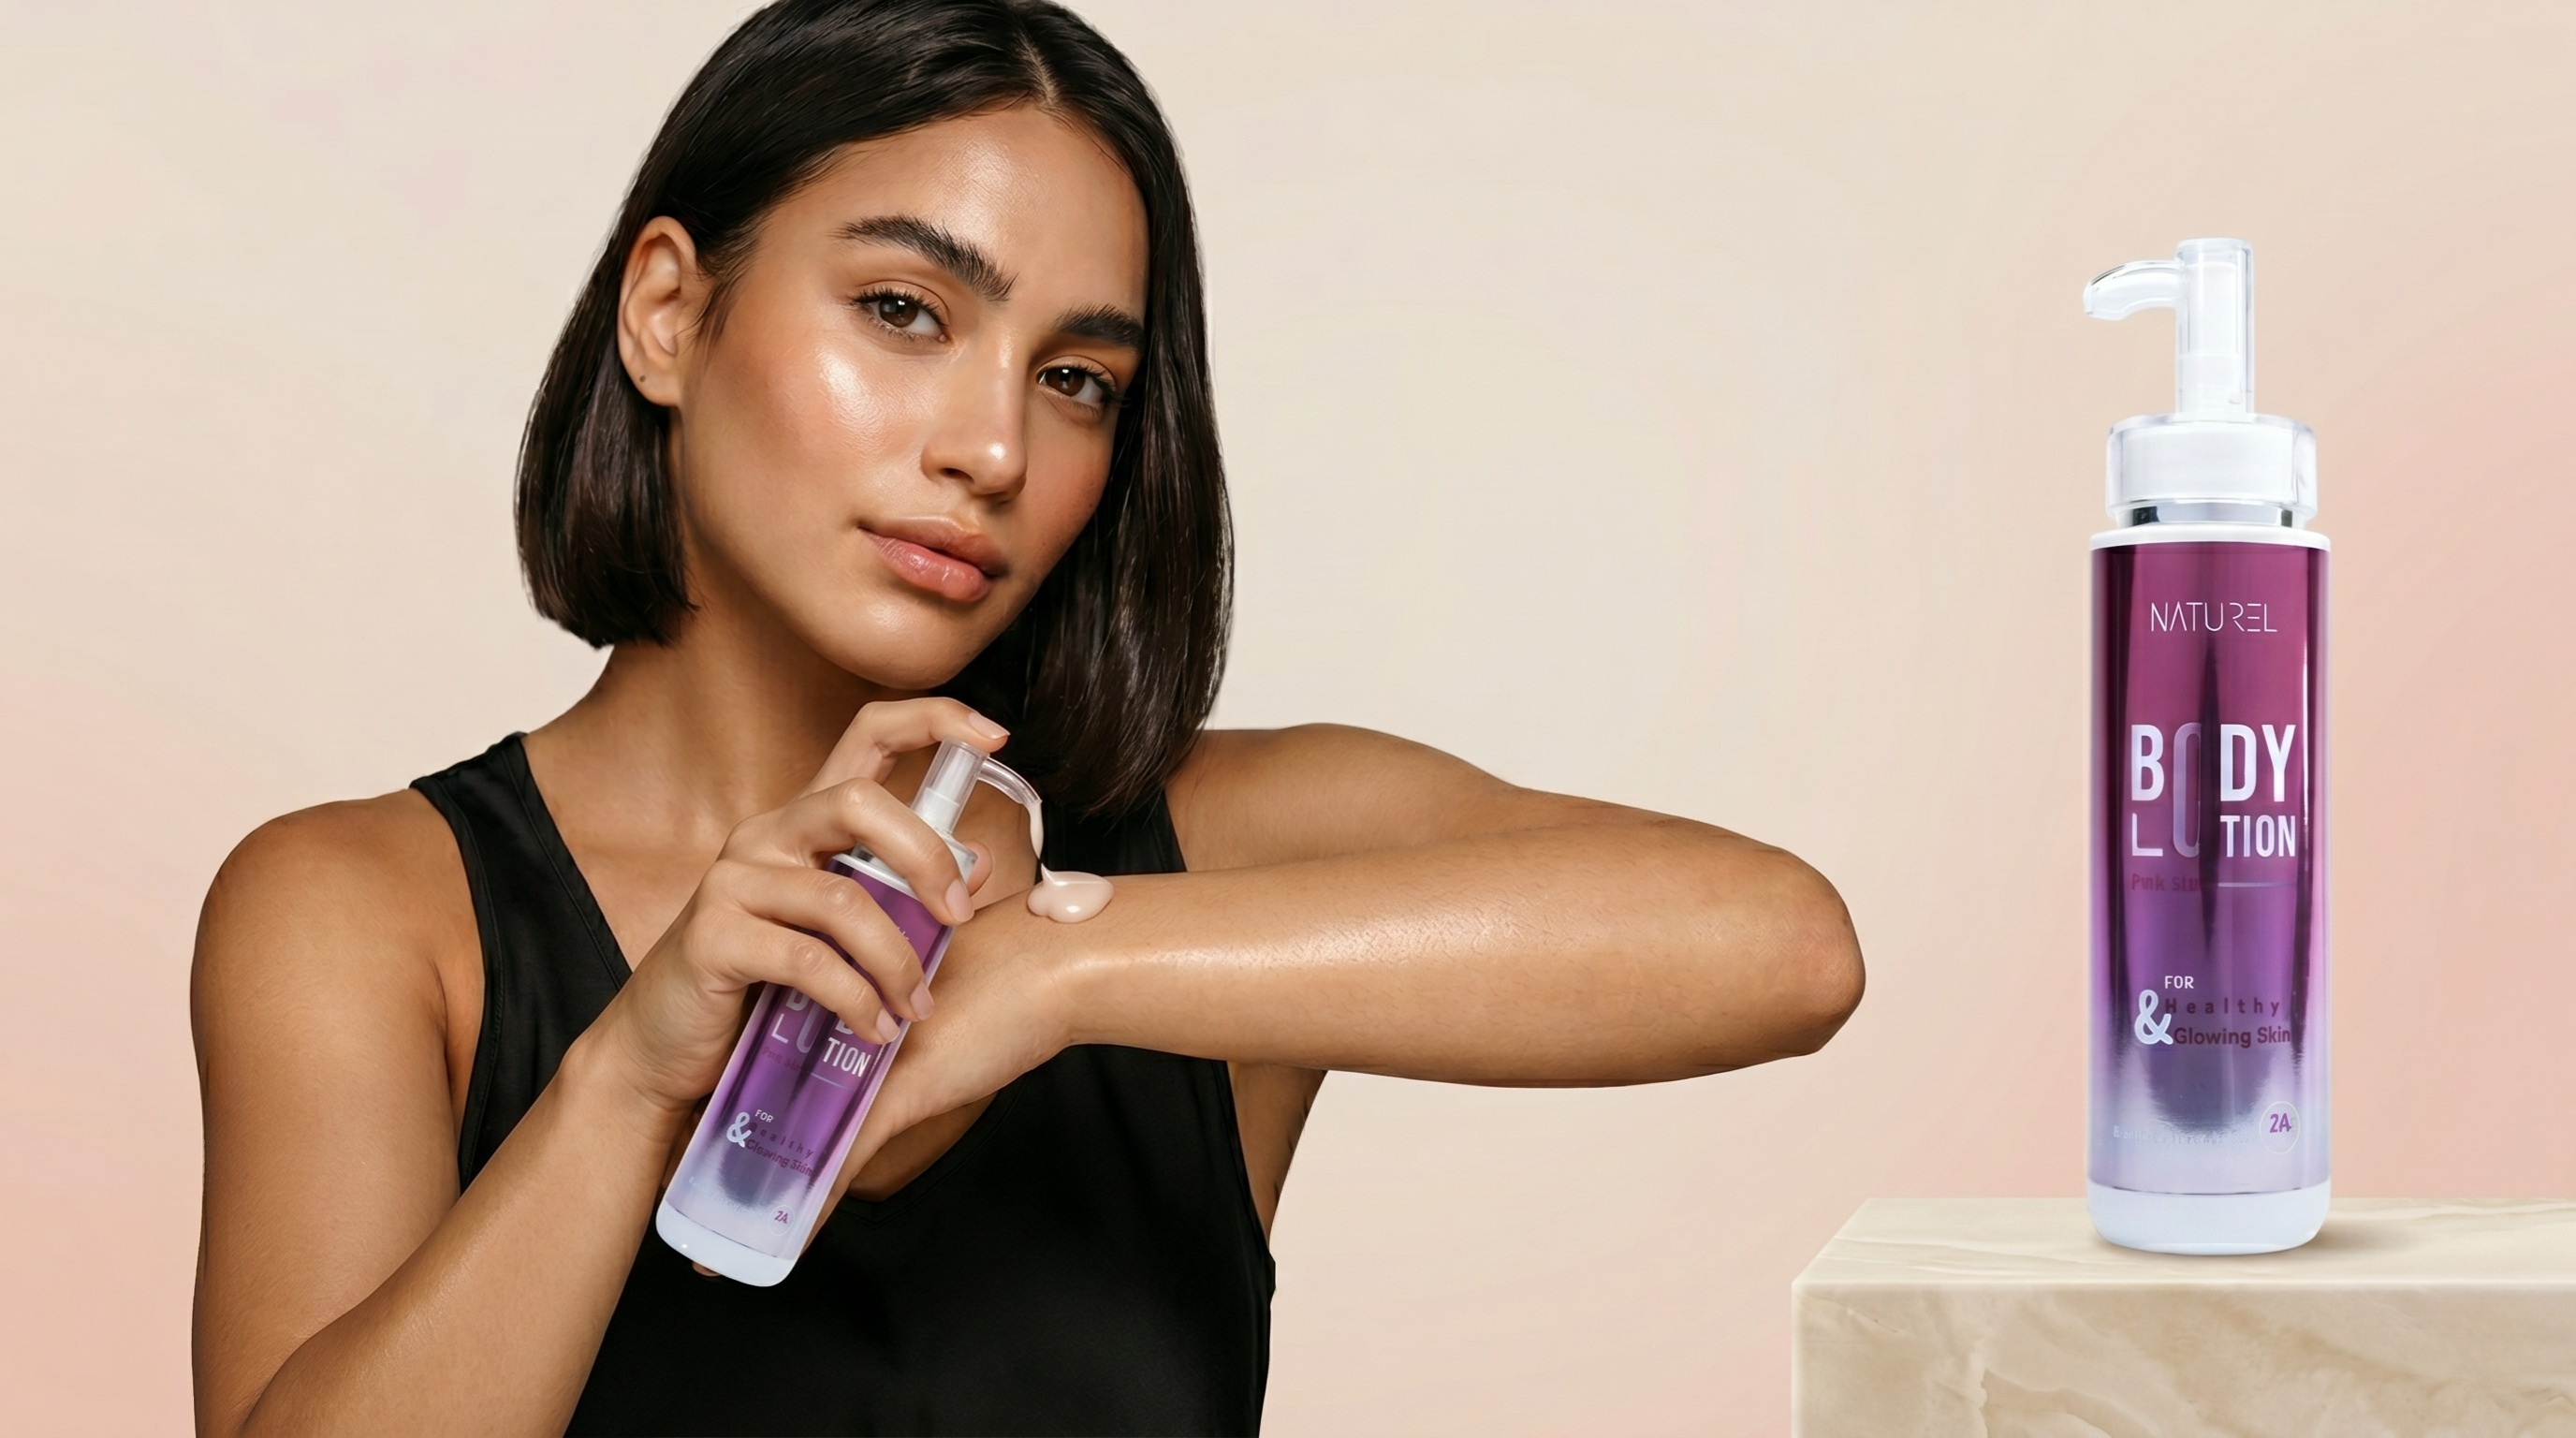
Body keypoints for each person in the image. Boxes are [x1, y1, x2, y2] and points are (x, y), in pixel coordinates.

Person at [188, 2, 1865, 1432]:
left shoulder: (1200, 855)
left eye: (1078, 380)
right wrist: (631, 1076)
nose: (992, 448)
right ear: (669, 313)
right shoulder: (373, 914)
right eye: (906, 311)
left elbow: (1780, 948)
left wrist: (1061, 969)